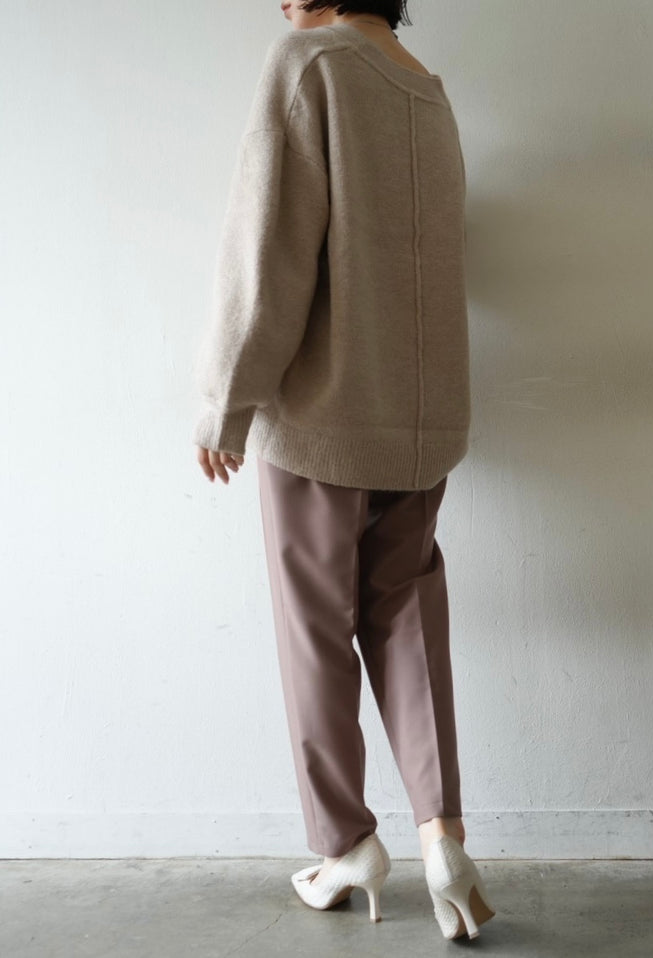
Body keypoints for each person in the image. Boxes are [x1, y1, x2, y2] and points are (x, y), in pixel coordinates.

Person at [192, 0, 494, 941]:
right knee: (406, 615)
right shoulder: (427, 91)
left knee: (315, 631)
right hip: (423, 417)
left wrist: (227, 398)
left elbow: (269, 249)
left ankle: (347, 844)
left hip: (323, 418)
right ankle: (443, 835)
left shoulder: (309, 66)